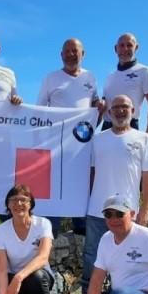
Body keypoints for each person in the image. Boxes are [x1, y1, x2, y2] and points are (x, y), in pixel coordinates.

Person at [75, 94, 148, 294]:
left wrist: (145, 210)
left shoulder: (144, 139)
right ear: (109, 113)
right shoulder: (97, 139)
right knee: (92, 255)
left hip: (128, 212)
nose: (120, 111)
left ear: (133, 111)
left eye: (125, 107)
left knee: (126, 257)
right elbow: (91, 174)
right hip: (97, 210)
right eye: (116, 108)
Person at [37, 37, 103, 234]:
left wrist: (99, 107)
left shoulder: (90, 78)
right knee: (54, 183)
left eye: (75, 51)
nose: (71, 54)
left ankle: (80, 225)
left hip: (82, 144)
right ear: (61, 55)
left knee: (80, 182)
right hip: (55, 143)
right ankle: (51, 227)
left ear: (83, 54)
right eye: (67, 51)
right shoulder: (51, 78)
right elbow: (39, 111)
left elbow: (94, 112)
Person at [101, 33, 148, 135]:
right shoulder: (110, 77)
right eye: (122, 45)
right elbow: (103, 107)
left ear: (136, 48)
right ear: (116, 49)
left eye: (129, 45)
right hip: (107, 128)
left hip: (130, 126)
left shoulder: (144, 71)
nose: (125, 49)